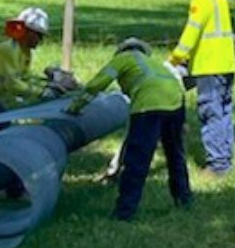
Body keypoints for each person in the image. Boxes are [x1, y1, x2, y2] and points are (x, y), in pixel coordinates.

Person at [71, 38, 191, 221]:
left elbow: (98, 83)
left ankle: (124, 212)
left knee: (137, 161)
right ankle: (184, 200)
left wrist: (75, 107)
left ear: (122, 51)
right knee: (175, 154)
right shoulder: (153, 62)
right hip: (176, 101)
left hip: (148, 105)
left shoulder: (123, 58)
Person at [169, 0, 235, 174]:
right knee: (224, 112)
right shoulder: (221, 0)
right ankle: (225, 158)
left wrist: (176, 58)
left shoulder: (200, 0)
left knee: (210, 112)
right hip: (227, 65)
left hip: (209, 66)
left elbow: (192, 32)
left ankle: (216, 164)